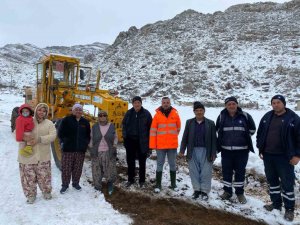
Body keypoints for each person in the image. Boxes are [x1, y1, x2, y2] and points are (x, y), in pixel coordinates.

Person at [256, 95, 300, 222]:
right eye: (273, 103)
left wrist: (297, 155)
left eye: (278, 102)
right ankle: (276, 204)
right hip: (268, 156)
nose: (276, 105)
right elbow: (260, 133)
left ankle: (289, 209)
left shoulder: (293, 119)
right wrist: (261, 148)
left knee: (287, 183)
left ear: (284, 104)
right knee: (272, 181)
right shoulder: (267, 116)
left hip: (285, 157)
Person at [216, 96, 256, 204]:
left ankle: (239, 193)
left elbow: (252, 129)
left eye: (233, 104)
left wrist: (242, 137)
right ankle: (227, 192)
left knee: (240, 172)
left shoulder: (245, 116)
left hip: (242, 151)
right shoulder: (221, 116)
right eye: (229, 104)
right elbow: (218, 130)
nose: (231, 106)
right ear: (226, 106)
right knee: (226, 171)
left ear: (237, 104)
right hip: (226, 150)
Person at [17, 103, 56, 204]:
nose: (41, 112)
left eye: (44, 111)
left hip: (43, 155)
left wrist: (39, 139)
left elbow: (53, 136)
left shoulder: (49, 123)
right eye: (39, 110)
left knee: (44, 175)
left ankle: (46, 191)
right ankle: (31, 195)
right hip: (27, 154)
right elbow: (16, 132)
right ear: (35, 111)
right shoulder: (27, 119)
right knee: (28, 177)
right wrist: (25, 138)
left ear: (46, 113)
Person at [179, 102, 217, 200]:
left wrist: (213, 153)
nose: (199, 112)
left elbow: (214, 139)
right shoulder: (189, 122)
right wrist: (182, 150)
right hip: (192, 150)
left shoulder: (211, 123)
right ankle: (196, 190)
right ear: (194, 112)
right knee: (194, 171)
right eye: (197, 110)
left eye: (201, 110)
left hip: (206, 151)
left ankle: (204, 191)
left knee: (206, 171)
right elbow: (185, 137)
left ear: (204, 111)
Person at [150, 96, 181, 193]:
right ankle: (158, 184)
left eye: (167, 102)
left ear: (170, 103)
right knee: (159, 164)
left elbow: (178, 129)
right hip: (161, 146)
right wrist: (153, 145)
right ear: (161, 103)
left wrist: (171, 138)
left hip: (172, 146)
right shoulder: (157, 116)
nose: (166, 104)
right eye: (164, 102)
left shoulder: (175, 114)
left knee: (172, 164)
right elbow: (153, 131)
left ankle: (173, 184)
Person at [58, 103, 91, 194]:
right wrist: (64, 142)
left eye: (80, 110)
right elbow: (60, 133)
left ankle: (75, 183)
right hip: (68, 149)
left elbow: (88, 135)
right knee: (66, 168)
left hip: (80, 150)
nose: (78, 111)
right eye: (76, 109)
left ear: (82, 111)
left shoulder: (85, 122)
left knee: (78, 168)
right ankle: (65, 185)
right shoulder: (66, 120)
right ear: (73, 110)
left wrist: (85, 144)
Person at [122, 96, 152, 188]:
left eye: (138, 102)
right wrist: (125, 138)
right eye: (135, 102)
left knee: (142, 161)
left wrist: (149, 144)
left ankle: (142, 180)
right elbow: (124, 125)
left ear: (141, 103)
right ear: (133, 104)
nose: (137, 104)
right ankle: (130, 179)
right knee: (130, 161)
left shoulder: (146, 114)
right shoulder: (129, 113)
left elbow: (151, 128)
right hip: (130, 141)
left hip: (142, 141)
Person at [89, 110, 118, 195]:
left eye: (104, 115)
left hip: (108, 151)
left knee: (110, 169)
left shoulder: (111, 126)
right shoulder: (94, 127)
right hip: (97, 151)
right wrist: (91, 148)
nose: (102, 117)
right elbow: (91, 138)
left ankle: (110, 184)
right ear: (98, 117)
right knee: (96, 169)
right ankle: (97, 186)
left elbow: (115, 137)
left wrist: (115, 145)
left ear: (106, 116)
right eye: (100, 115)